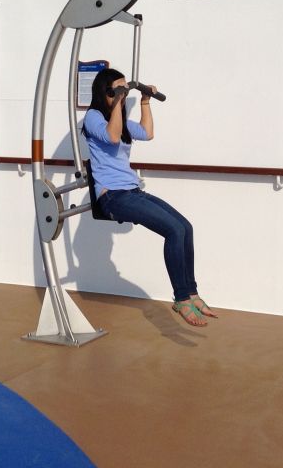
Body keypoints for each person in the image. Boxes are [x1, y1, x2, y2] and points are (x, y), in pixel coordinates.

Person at [82, 68, 217, 327]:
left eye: (124, 90)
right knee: (173, 231)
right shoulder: (93, 117)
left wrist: (144, 101)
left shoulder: (118, 119)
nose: (122, 95)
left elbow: (147, 132)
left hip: (131, 191)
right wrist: (119, 101)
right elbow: (111, 136)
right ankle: (181, 299)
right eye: (117, 90)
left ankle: (191, 293)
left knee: (185, 227)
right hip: (112, 197)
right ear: (104, 92)